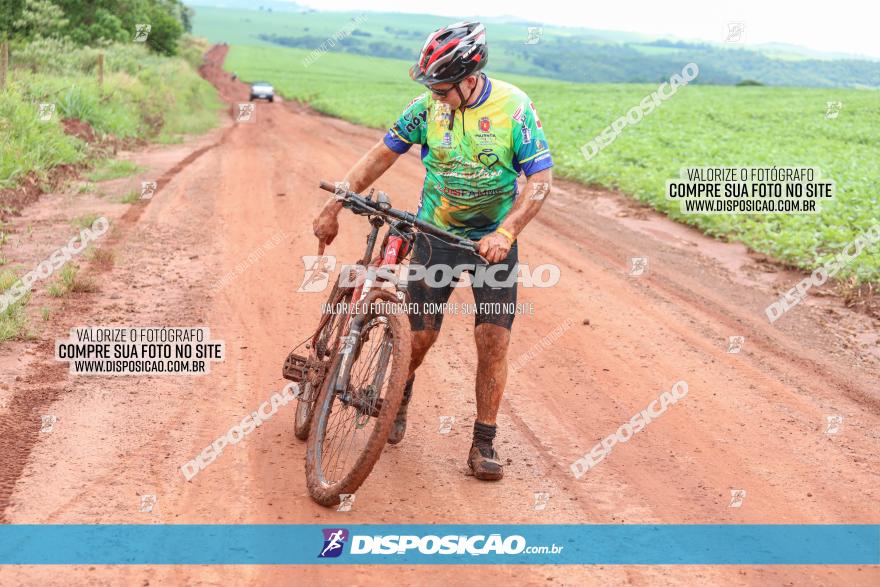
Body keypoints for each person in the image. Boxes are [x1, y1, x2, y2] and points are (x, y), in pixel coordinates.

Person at [312, 21, 553, 481]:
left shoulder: (514, 108)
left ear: (470, 77)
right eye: (433, 88)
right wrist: (333, 204)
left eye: (442, 88)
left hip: (492, 246)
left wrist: (507, 231)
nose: (436, 96)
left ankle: (483, 442)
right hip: (435, 235)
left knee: (493, 340)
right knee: (419, 338)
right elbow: (380, 155)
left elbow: (541, 183)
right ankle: (399, 393)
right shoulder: (427, 107)